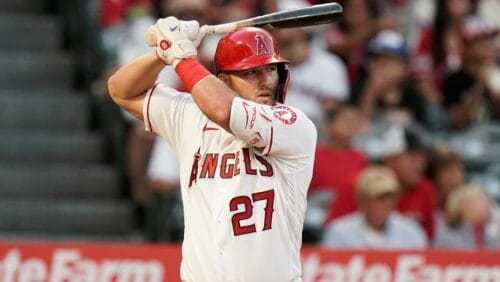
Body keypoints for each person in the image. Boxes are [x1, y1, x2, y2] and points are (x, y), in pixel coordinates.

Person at [107, 17, 317, 282]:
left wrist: (181, 58)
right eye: (250, 72)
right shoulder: (191, 116)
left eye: (271, 69)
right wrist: (162, 53)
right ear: (223, 80)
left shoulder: (293, 125)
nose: (265, 81)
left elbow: (224, 110)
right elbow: (121, 91)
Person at [322, 165, 428, 249]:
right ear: (363, 201)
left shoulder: (412, 232)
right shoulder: (339, 233)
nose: (385, 204)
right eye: (378, 198)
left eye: (389, 197)